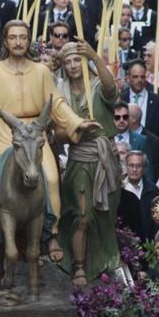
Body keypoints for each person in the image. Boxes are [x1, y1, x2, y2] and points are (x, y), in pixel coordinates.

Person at [0, 21, 98, 268]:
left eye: (23, 37)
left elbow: (57, 103)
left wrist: (77, 123)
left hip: (34, 132)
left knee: (52, 179)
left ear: (28, 40)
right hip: (5, 131)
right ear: (5, 41)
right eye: (13, 37)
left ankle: (50, 234)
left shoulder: (41, 72)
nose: (18, 42)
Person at [54, 41, 121, 286]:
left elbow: (111, 90)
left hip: (105, 158)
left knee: (104, 215)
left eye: (77, 60)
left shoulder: (96, 85)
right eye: (67, 61)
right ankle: (79, 266)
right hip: (80, 157)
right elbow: (57, 133)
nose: (72, 66)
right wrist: (76, 129)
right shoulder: (60, 91)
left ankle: (103, 260)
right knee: (81, 215)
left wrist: (94, 56)